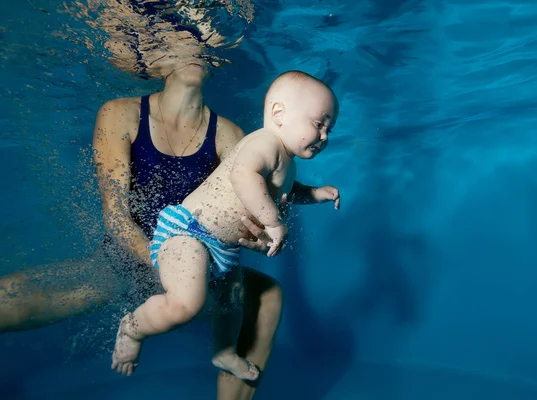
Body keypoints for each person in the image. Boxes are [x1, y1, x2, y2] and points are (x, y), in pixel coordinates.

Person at [0, 8, 306, 399]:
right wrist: (166, 265)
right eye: (181, 35)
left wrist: (258, 235)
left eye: (203, 36)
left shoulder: (230, 134)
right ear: (150, 56)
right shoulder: (120, 114)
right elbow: (115, 214)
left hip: (198, 275)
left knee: (265, 295)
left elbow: (251, 214)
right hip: (124, 265)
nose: (195, 43)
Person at [111, 70, 341, 379]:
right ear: (279, 113)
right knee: (186, 304)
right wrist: (273, 222)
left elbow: (285, 190)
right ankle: (133, 328)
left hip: (223, 247)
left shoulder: (287, 161)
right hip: (188, 232)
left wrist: (315, 194)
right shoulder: (264, 143)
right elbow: (243, 175)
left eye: (329, 129)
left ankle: (223, 353)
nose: (325, 136)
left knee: (231, 304)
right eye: (319, 124)